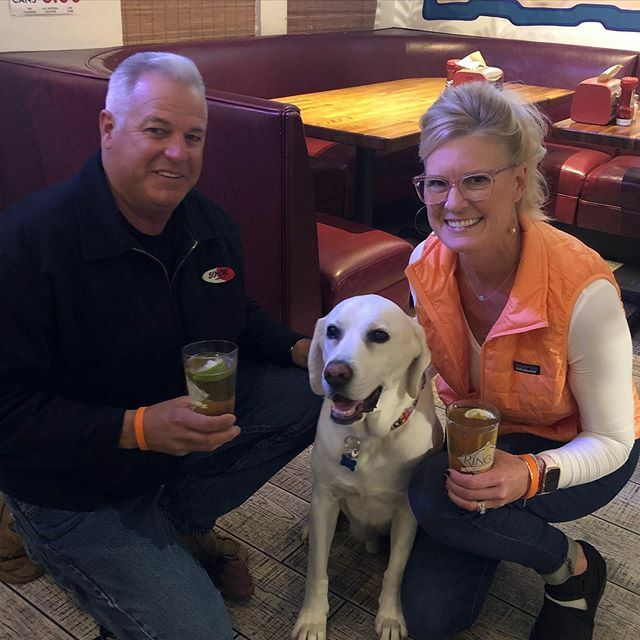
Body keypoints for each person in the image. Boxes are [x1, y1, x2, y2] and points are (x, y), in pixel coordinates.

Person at [0, 52, 320, 640]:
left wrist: (304, 348)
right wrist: (136, 428)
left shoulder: (210, 225)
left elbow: (235, 317)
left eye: (193, 136)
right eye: (157, 130)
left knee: (313, 393)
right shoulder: (27, 245)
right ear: (107, 127)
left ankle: (173, 525)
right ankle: (62, 547)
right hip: (71, 490)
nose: (178, 152)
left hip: (164, 456)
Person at [403, 81, 640, 640]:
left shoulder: (584, 289)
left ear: (517, 180)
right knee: (432, 621)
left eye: (476, 180)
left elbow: (613, 439)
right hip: (480, 437)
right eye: (437, 183)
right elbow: (422, 365)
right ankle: (491, 523)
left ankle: (573, 568)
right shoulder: (426, 261)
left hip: (574, 447)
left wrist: (529, 475)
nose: (453, 202)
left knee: (429, 495)